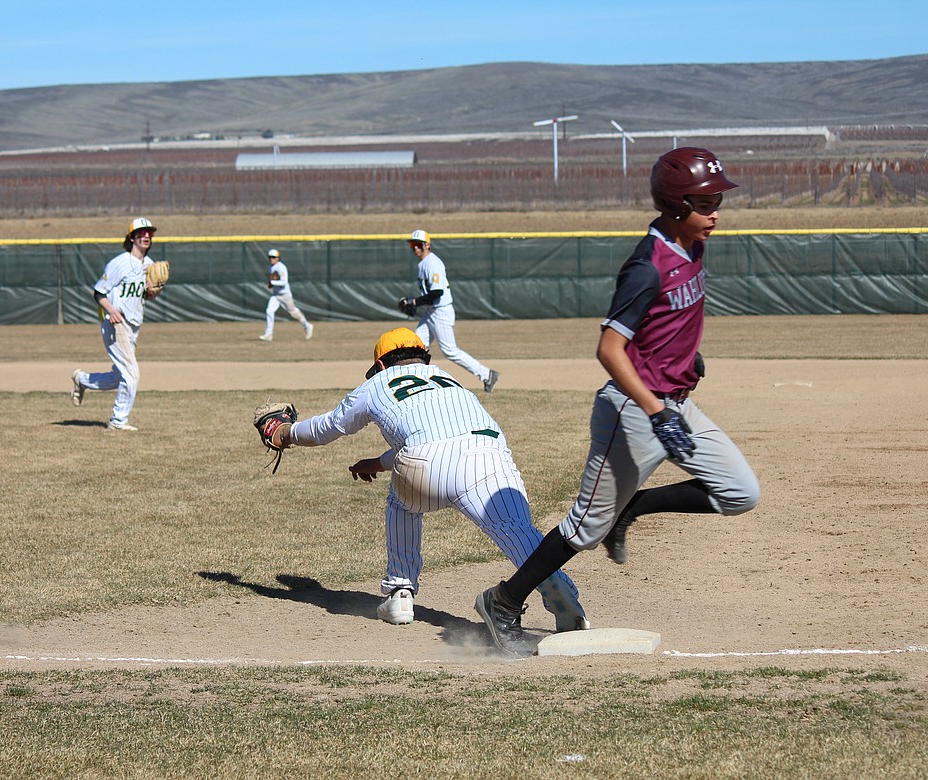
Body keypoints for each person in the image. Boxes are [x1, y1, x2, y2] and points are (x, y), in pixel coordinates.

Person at [473, 148, 762, 654]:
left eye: (718, 199)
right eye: (706, 201)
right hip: (632, 412)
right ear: (675, 206)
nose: (716, 210)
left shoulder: (694, 243)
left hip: (675, 404)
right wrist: (654, 409)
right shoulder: (646, 267)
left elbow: (670, 323)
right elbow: (609, 347)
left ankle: (636, 506)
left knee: (740, 492)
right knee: (585, 528)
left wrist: (686, 359)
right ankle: (503, 600)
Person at [262, 327, 588, 633]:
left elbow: (328, 428)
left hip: (423, 463)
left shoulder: (377, 383)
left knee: (403, 505)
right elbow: (448, 436)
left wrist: (284, 433)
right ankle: (562, 596)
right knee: (521, 534)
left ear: (379, 364)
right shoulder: (448, 379)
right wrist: (378, 461)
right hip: (490, 456)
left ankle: (400, 595)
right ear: (424, 357)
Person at [70, 217, 164, 431]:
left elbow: (145, 297)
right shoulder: (119, 263)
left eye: (149, 232)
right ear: (131, 237)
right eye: (141, 233)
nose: (146, 236)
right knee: (132, 373)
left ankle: (82, 380)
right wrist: (111, 310)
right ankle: (118, 420)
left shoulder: (149, 266)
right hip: (115, 323)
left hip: (133, 326)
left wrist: (152, 292)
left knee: (120, 376)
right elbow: (98, 292)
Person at [398, 230, 499, 393]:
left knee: (450, 351)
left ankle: (487, 374)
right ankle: (417, 383)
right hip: (431, 312)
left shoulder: (433, 263)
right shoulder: (422, 264)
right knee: (417, 346)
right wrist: (418, 302)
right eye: (412, 245)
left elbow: (437, 292)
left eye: (418, 245)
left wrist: (415, 302)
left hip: (440, 312)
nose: (415, 248)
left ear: (427, 245)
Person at [259, 248, 313, 341]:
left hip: (285, 295)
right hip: (276, 295)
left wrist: (272, 283)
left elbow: (284, 282)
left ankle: (307, 325)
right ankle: (269, 334)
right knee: (269, 311)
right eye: (270, 257)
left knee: (293, 312)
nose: (271, 259)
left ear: (278, 258)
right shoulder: (271, 267)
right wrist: (272, 284)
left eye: (273, 257)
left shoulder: (281, 267)